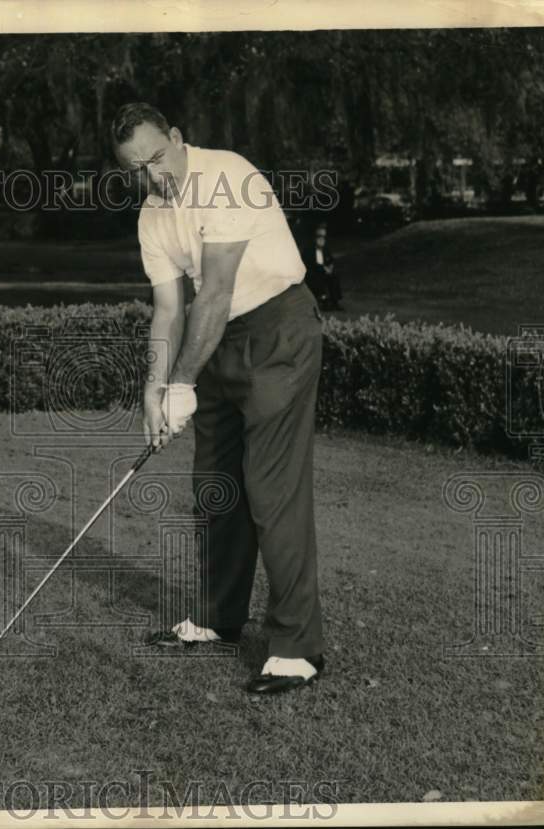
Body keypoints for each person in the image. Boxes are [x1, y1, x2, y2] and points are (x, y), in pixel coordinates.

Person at [112, 103, 326, 697]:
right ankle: (217, 617)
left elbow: (217, 290)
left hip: (277, 330)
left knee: (270, 489)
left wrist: (183, 383)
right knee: (217, 484)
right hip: (219, 341)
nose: (154, 176)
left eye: (157, 158)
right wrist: (154, 389)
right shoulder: (153, 215)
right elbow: (169, 308)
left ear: (178, 139)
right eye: (137, 168)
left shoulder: (226, 176)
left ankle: (297, 648)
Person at [302, 222, 342, 311]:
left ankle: (335, 301)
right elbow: (310, 264)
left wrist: (330, 267)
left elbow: (331, 260)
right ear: (315, 238)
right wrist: (324, 268)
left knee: (334, 277)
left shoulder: (325, 249)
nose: (322, 239)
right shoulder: (309, 249)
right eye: (319, 237)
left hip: (324, 271)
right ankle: (323, 300)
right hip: (313, 272)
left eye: (323, 237)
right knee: (317, 279)